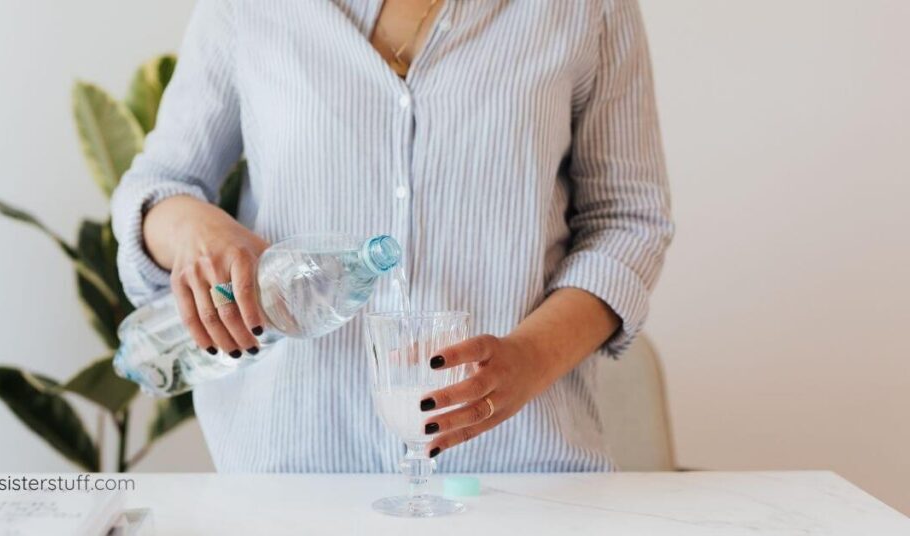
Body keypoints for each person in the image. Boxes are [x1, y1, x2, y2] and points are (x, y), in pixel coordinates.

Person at [111, 0, 673, 473]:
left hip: (519, 476)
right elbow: (159, 187)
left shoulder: (585, 9)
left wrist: (528, 359)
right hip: (290, 474)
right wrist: (195, 228)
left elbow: (627, 221)